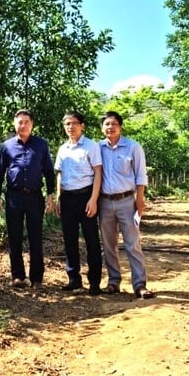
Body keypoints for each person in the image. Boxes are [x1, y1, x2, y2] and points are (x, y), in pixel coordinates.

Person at [0, 109, 55, 288]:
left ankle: (36, 278)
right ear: (15, 124)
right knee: (14, 237)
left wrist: (51, 194)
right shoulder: (7, 146)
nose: (23, 125)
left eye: (26, 122)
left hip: (35, 197)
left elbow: (48, 171)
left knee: (36, 237)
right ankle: (18, 276)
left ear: (32, 124)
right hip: (14, 197)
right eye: (20, 122)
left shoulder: (41, 145)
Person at [98, 111, 154, 299]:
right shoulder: (97, 148)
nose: (110, 127)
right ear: (102, 127)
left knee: (132, 243)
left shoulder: (132, 147)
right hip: (104, 202)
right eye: (106, 124)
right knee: (109, 244)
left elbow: (140, 175)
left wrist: (140, 199)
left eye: (114, 124)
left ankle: (139, 284)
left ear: (120, 127)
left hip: (127, 201)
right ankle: (114, 281)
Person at [54, 111, 103, 295]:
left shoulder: (91, 146)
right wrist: (59, 197)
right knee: (69, 240)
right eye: (67, 124)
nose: (70, 127)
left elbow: (98, 172)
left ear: (82, 125)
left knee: (91, 240)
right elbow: (60, 174)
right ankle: (74, 279)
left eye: (74, 123)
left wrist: (93, 199)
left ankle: (95, 282)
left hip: (86, 197)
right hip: (67, 198)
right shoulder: (62, 149)